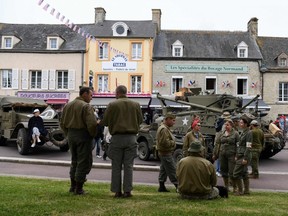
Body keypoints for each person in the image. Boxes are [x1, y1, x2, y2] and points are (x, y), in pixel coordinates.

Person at [101, 85, 143, 198]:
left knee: (116, 166)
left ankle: (117, 191)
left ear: (117, 93)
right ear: (126, 92)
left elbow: (105, 122)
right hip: (131, 138)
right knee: (128, 166)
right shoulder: (136, 104)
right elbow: (140, 120)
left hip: (117, 138)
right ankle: (127, 191)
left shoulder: (112, 104)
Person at [60, 87, 98, 195]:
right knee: (83, 161)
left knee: (74, 160)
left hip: (71, 134)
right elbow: (91, 124)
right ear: (84, 94)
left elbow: (62, 122)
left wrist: (68, 134)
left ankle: (73, 186)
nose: (91, 98)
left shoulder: (68, 105)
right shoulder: (86, 106)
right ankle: (79, 188)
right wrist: (93, 134)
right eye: (91, 95)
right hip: (83, 135)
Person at [213, 119, 239, 193]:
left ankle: (235, 187)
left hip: (231, 155)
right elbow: (217, 144)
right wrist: (215, 154)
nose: (226, 126)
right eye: (225, 125)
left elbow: (238, 145)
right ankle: (226, 187)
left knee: (232, 172)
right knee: (223, 171)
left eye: (227, 125)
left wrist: (237, 155)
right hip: (222, 154)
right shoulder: (221, 133)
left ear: (231, 125)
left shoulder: (235, 134)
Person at [156, 112, 178, 192]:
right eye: (173, 120)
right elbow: (165, 143)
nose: (174, 122)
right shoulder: (164, 129)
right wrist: (173, 142)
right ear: (167, 119)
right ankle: (178, 186)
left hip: (164, 153)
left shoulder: (164, 128)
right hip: (165, 153)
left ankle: (161, 187)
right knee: (172, 169)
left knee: (164, 170)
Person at [233, 114, 253, 195]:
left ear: (245, 124)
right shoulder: (243, 132)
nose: (239, 124)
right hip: (241, 154)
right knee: (244, 173)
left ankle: (240, 191)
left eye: (241, 123)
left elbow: (249, 146)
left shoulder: (248, 133)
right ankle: (246, 190)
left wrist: (245, 158)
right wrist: (237, 155)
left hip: (244, 155)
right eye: (239, 122)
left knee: (236, 173)